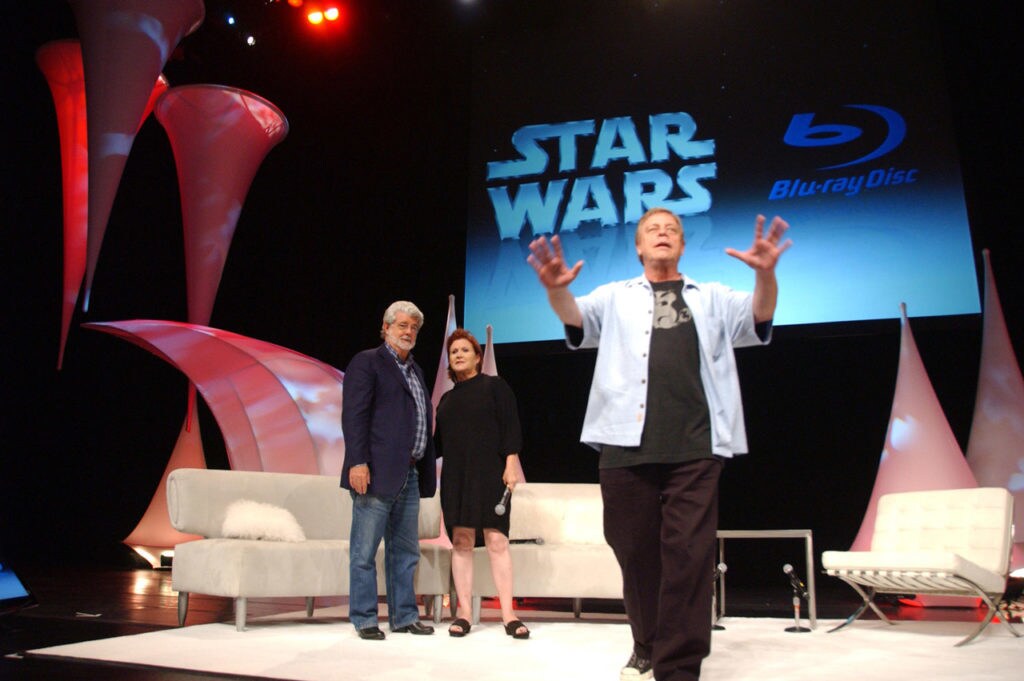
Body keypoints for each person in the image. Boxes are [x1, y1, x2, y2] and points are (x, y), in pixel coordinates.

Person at [526, 208, 791, 681]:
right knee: (635, 554)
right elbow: (576, 320)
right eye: (653, 229)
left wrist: (766, 275)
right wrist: (555, 289)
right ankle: (646, 643)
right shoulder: (614, 297)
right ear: (639, 247)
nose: (663, 233)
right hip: (623, 446)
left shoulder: (711, 296)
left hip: (697, 447)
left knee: (690, 560)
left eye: (672, 229)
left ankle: (679, 668)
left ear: (683, 245)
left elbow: (759, 315)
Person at [340, 300, 438, 640]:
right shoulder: (368, 362)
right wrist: (357, 461)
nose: (408, 331)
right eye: (402, 325)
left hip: (409, 474)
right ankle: (365, 618)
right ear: (385, 328)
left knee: (405, 551)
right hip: (375, 471)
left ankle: (404, 616)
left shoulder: (416, 370)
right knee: (364, 551)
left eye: (413, 327)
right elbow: (355, 416)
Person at [434, 329, 529, 639]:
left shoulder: (494, 387)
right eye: (453, 352)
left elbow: (511, 427)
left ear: (477, 356)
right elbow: (437, 445)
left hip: (491, 474)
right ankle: (463, 614)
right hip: (456, 478)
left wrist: (511, 463)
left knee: (497, 541)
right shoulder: (446, 400)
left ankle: (508, 615)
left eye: (464, 350)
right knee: (460, 542)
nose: (458, 354)